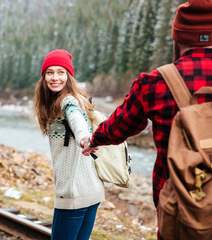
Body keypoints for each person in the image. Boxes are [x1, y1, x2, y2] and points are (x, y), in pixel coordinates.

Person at [82, 0, 212, 239]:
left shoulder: (156, 82)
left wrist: (94, 139)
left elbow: (121, 126)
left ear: (178, 38)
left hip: (181, 205)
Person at [34, 49, 104, 240]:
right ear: (43, 76)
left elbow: (76, 120)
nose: (55, 77)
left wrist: (84, 138)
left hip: (74, 193)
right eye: (50, 72)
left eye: (60, 72)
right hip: (92, 190)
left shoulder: (68, 101)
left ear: (69, 76)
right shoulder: (78, 97)